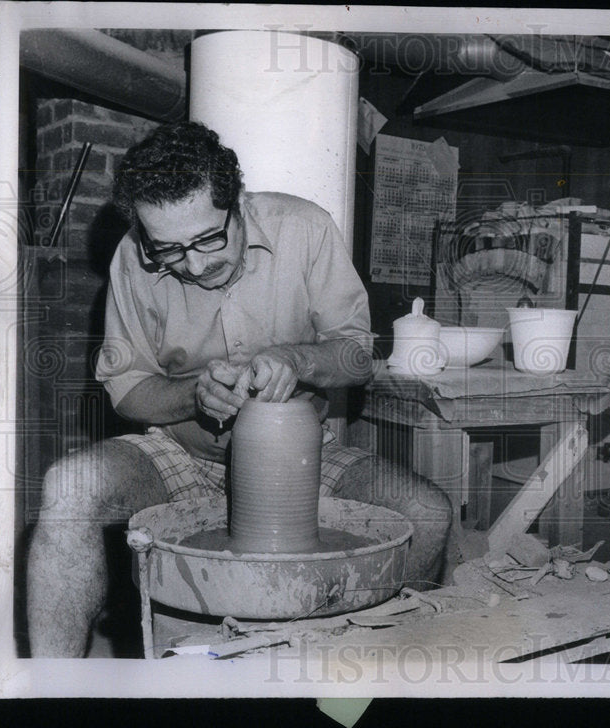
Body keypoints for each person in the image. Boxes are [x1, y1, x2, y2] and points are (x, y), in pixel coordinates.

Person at [26, 121, 452, 657]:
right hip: (181, 452)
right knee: (69, 490)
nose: (196, 264)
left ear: (239, 202)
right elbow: (128, 388)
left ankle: (364, 684)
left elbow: (359, 355)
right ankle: (50, 694)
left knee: (427, 512)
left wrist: (296, 359)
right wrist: (192, 395)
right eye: (170, 251)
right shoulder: (131, 259)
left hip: (300, 459)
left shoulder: (306, 229)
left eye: (209, 238)